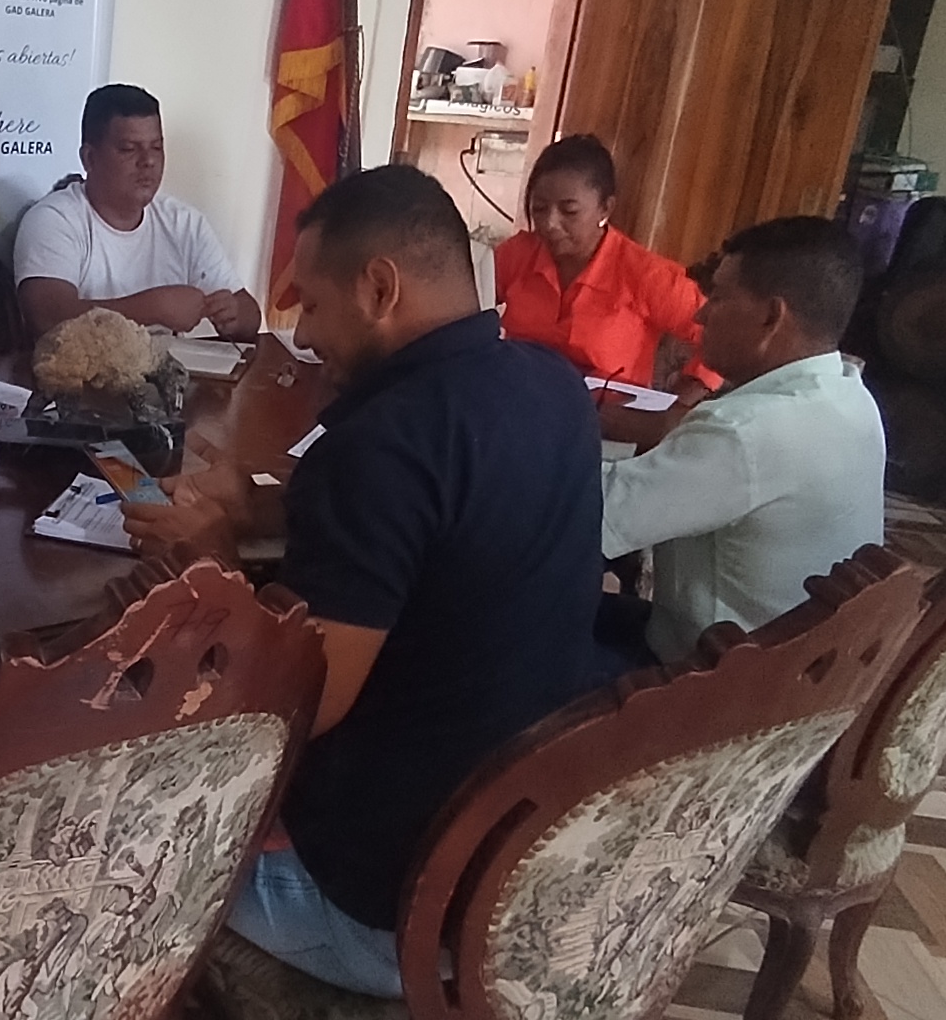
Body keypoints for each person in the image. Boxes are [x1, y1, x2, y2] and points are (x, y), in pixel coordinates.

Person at [122, 165, 622, 997]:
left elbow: (296, 708)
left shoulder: (380, 443)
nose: (304, 332)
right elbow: (443, 525)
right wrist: (264, 510)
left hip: (387, 912)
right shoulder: (551, 384)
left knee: (106, 829)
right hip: (522, 854)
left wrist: (213, 558)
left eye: (314, 305)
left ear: (380, 288)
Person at [598, 216, 885, 665]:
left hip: (714, 678)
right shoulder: (852, 396)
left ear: (772, 316)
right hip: (803, 665)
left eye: (718, 297)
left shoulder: (743, 430)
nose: (700, 315)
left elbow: (594, 515)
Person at [491, 134, 721, 446]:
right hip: (516, 411)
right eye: (540, 209)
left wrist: (677, 408)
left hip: (603, 431)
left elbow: (720, 331)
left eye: (569, 211)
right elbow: (464, 308)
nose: (550, 223)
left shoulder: (645, 274)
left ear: (605, 208)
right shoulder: (517, 255)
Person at [14, 84, 260, 340]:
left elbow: (251, 314)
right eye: (129, 149)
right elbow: (47, 318)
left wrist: (233, 314)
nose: (148, 161)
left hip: (167, 364)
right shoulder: (54, 219)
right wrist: (155, 308)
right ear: (90, 159)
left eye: (156, 147)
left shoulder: (183, 222)